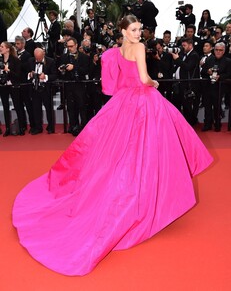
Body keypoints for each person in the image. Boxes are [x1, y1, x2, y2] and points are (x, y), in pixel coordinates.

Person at [12, 15, 213, 276]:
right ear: (123, 30)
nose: (139, 33)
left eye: (140, 29)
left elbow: (111, 87)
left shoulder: (115, 52)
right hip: (143, 103)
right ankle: (146, 198)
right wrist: (154, 83)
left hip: (123, 104)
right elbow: (143, 79)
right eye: (133, 29)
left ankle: (136, 194)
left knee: (122, 153)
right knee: (150, 151)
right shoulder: (139, 48)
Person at [28, 47, 57, 135]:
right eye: (36, 58)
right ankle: (38, 127)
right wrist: (30, 75)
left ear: (43, 54)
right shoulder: (30, 61)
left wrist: (46, 77)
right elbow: (26, 72)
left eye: (40, 57)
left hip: (46, 89)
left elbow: (55, 75)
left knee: (49, 109)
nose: (38, 59)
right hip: (35, 88)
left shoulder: (51, 61)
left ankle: (51, 127)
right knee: (36, 109)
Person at [0, 41, 25, 136]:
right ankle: (7, 128)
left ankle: (21, 127)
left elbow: (18, 75)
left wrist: (8, 70)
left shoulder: (15, 60)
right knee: (5, 107)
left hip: (13, 86)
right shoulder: (0, 60)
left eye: (2, 46)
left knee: (17, 106)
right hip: (3, 86)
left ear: (7, 49)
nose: (0, 48)